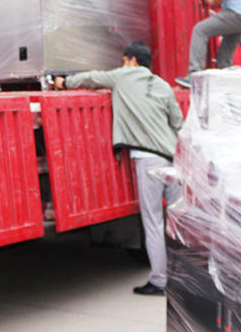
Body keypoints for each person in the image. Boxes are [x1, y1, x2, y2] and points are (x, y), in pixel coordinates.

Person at [54, 41, 184, 296]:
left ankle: (159, 281)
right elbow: (177, 122)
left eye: (124, 61)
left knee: (153, 223)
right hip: (172, 160)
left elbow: (92, 77)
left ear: (132, 60)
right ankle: (187, 277)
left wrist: (64, 83)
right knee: (179, 222)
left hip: (149, 161)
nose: (122, 65)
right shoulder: (163, 85)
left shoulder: (123, 76)